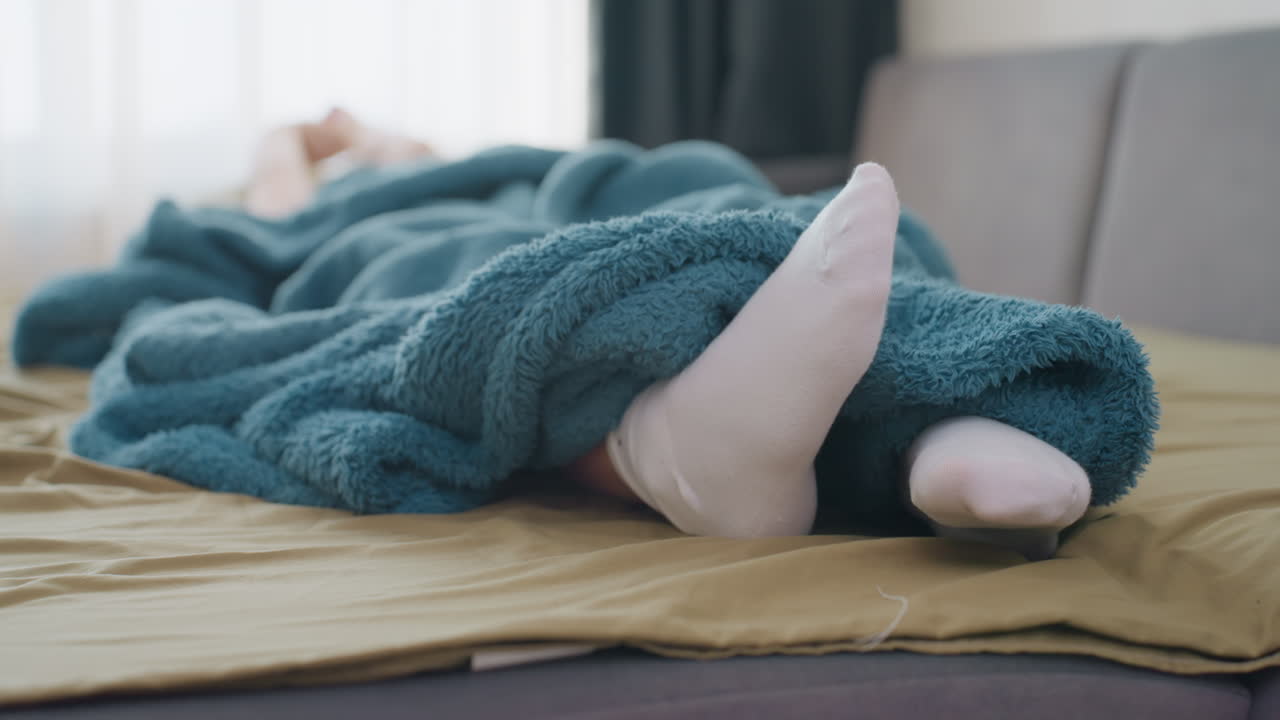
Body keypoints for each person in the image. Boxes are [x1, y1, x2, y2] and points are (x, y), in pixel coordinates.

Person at [244, 109, 1092, 559]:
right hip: (429, 232)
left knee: (716, 201)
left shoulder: (486, 158)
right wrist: (321, 139)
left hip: (573, 190)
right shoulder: (353, 199)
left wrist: (385, 139)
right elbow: (277, 203)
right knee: (476, 275)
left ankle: (941, 435)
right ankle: (672, 448)